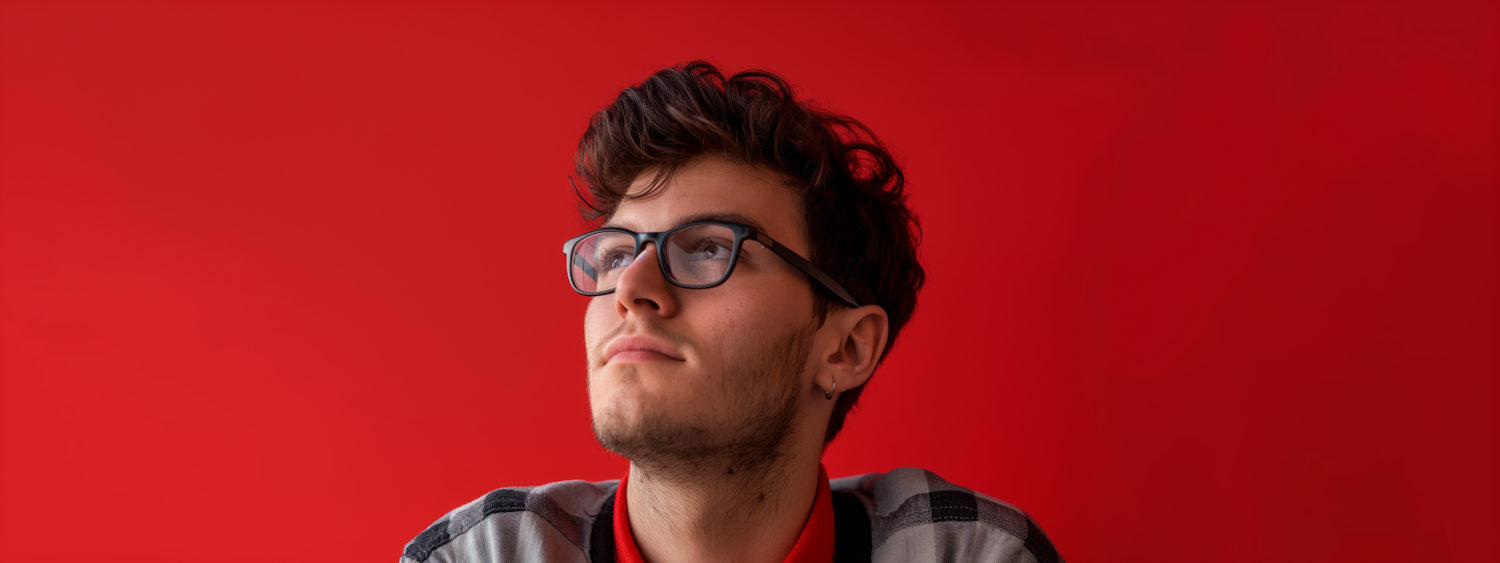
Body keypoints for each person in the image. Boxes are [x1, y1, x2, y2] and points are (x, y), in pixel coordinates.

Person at [400, 61, 1063, 563]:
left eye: (711, 247)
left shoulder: (967, 552)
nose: (630, 287)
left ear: (845, 348)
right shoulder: (482, 554)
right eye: (614, 253)